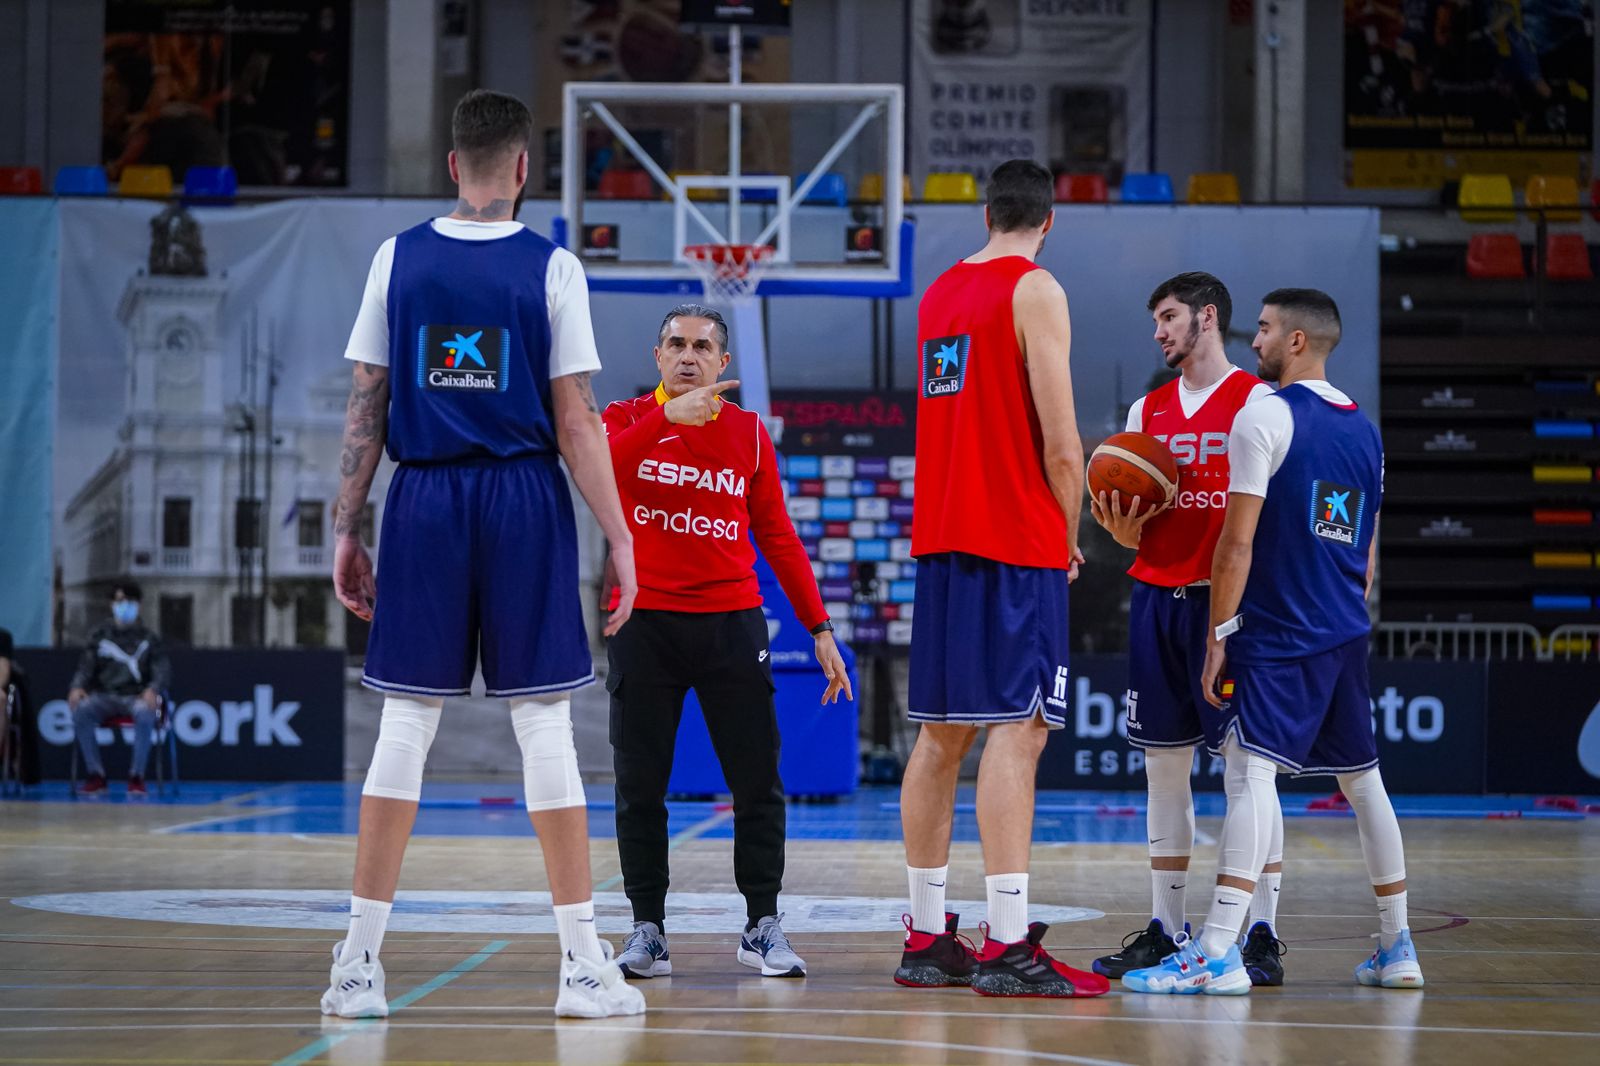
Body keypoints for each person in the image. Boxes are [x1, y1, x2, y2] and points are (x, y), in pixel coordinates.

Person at [324, 89, 644, 1021]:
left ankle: (357, 968)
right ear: (525, 170)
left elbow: (366, 405)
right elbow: (577, 419)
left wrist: (350, 525)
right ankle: (584, 970)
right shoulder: (554, 267)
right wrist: (620, 536)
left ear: (454, 166)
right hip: (522, 499)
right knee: (545, 729)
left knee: (403, 729)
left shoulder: (397, 257)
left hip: (420, 497)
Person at [1125, 288, 1423, 994]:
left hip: (1279, 628)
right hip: (1345, 628)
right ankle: (1399, 944)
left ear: (1295, 341)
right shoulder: (1366, 430)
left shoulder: (1263, 412)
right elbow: (1368, 552)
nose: (1252, 341)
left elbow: (1236, 544)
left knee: (1252, 777)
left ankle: (1220, 951)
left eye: (1262, 330)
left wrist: (1222, 632)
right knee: (1365, 784)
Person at [895, 158, 1107, 998]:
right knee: (1020, 730)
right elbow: (1064, 443)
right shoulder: (1036, 289)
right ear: (1048, 220)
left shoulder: (940, 293)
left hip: (941, 540)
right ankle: (1009, 944)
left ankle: (924, 936)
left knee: (941, 737)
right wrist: (1068, 534)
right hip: (1013, 542)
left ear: (986, 213)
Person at [601, 304, 852, 981]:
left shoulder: (748, 433)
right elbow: (597, 474)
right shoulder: (624, 420)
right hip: (642, 622)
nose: (688, 356)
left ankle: (761, 924)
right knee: (640, 785)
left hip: (732, 623)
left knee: (758, 783)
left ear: (723, 363)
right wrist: (664, 420)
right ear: (658, 356)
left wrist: (820, 628)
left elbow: (777, 535)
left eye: (702, 347)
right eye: (676, 344)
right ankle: (647, 929)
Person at [1087, 273, 1288, 987]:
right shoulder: (1147, 408)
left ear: (1207, 318)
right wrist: (1116, 528)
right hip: (1157, 600)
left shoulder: (1258, 402)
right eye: (1156, 319)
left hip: (1230, 609)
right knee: (1162, 771)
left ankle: (1259, 931)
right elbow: (1129, 526)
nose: (1159, 330)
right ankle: (1167, 929)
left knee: (1246, 772)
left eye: (1168, 316)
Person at [68, 580, 170, 796]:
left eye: (131, 601)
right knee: (82, 712)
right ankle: (96, 775)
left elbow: (162, 670)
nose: (125, 605)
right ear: (112, 604)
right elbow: (85, 669)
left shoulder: (149, 638)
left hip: (136, 698)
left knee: (146, 713)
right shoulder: (99, 636)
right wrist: (77, 687)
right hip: (104, 696)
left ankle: (136, 777)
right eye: (121, 600)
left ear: (139, 605)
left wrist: (153, 688)